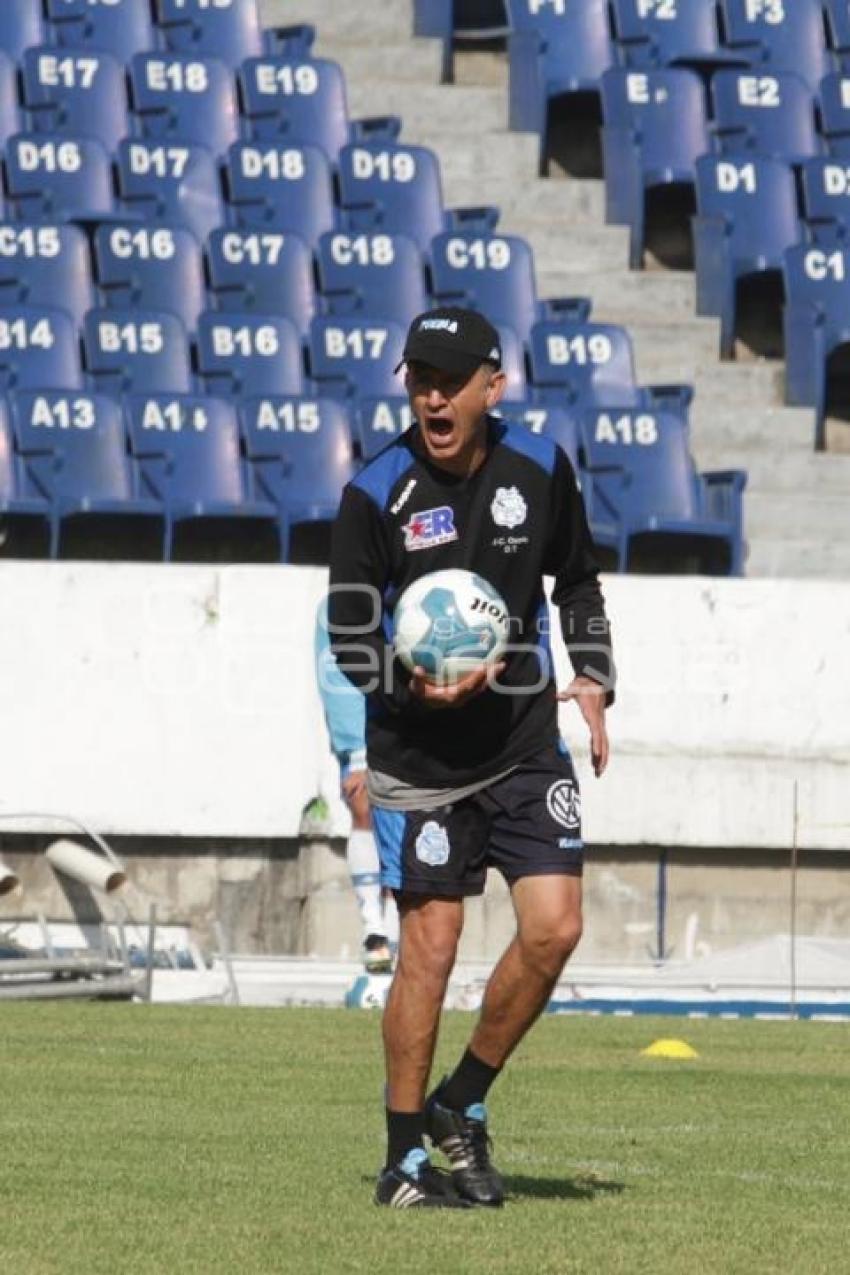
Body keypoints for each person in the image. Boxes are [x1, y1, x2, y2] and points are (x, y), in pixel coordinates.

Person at [327, 306, 615, 1210]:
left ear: (496, 385)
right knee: (432, 946)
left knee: (554, 927)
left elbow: (577, 578)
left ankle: (464, 1098)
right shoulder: (377, 491)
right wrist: (419, 690)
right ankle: (405, 1160)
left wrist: (597, 676)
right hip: (419, 754)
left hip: (524, 739)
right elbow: (347, 630)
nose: (432, 393)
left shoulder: (540, 466)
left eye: (451, 379)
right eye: (419, 377)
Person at [315, 602, 399, 973]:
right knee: (366, 805)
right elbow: (335, 675)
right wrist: (358, 751)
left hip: (420, 729)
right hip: (367, 735)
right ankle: (376, 932)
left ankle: (400, 937)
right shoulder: (342, 602)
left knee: (412, 825)